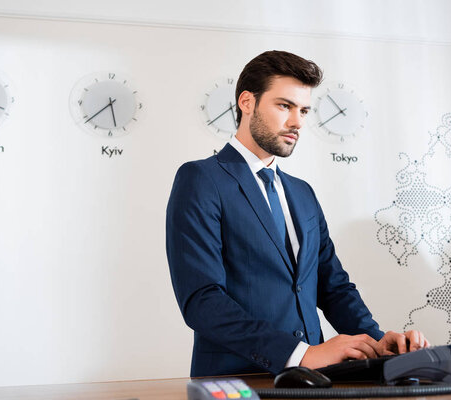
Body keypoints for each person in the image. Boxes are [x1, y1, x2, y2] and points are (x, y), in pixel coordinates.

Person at [166, 50, 430, 377]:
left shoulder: (302, 193)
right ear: (247, 102)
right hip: (238, 380)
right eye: (284, 106)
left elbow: (332, 286)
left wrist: (377, 342)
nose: (297, 122)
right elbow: (202, 301)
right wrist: (301, 354)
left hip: (312, 383)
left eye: (303, 110)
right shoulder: (202, 180)